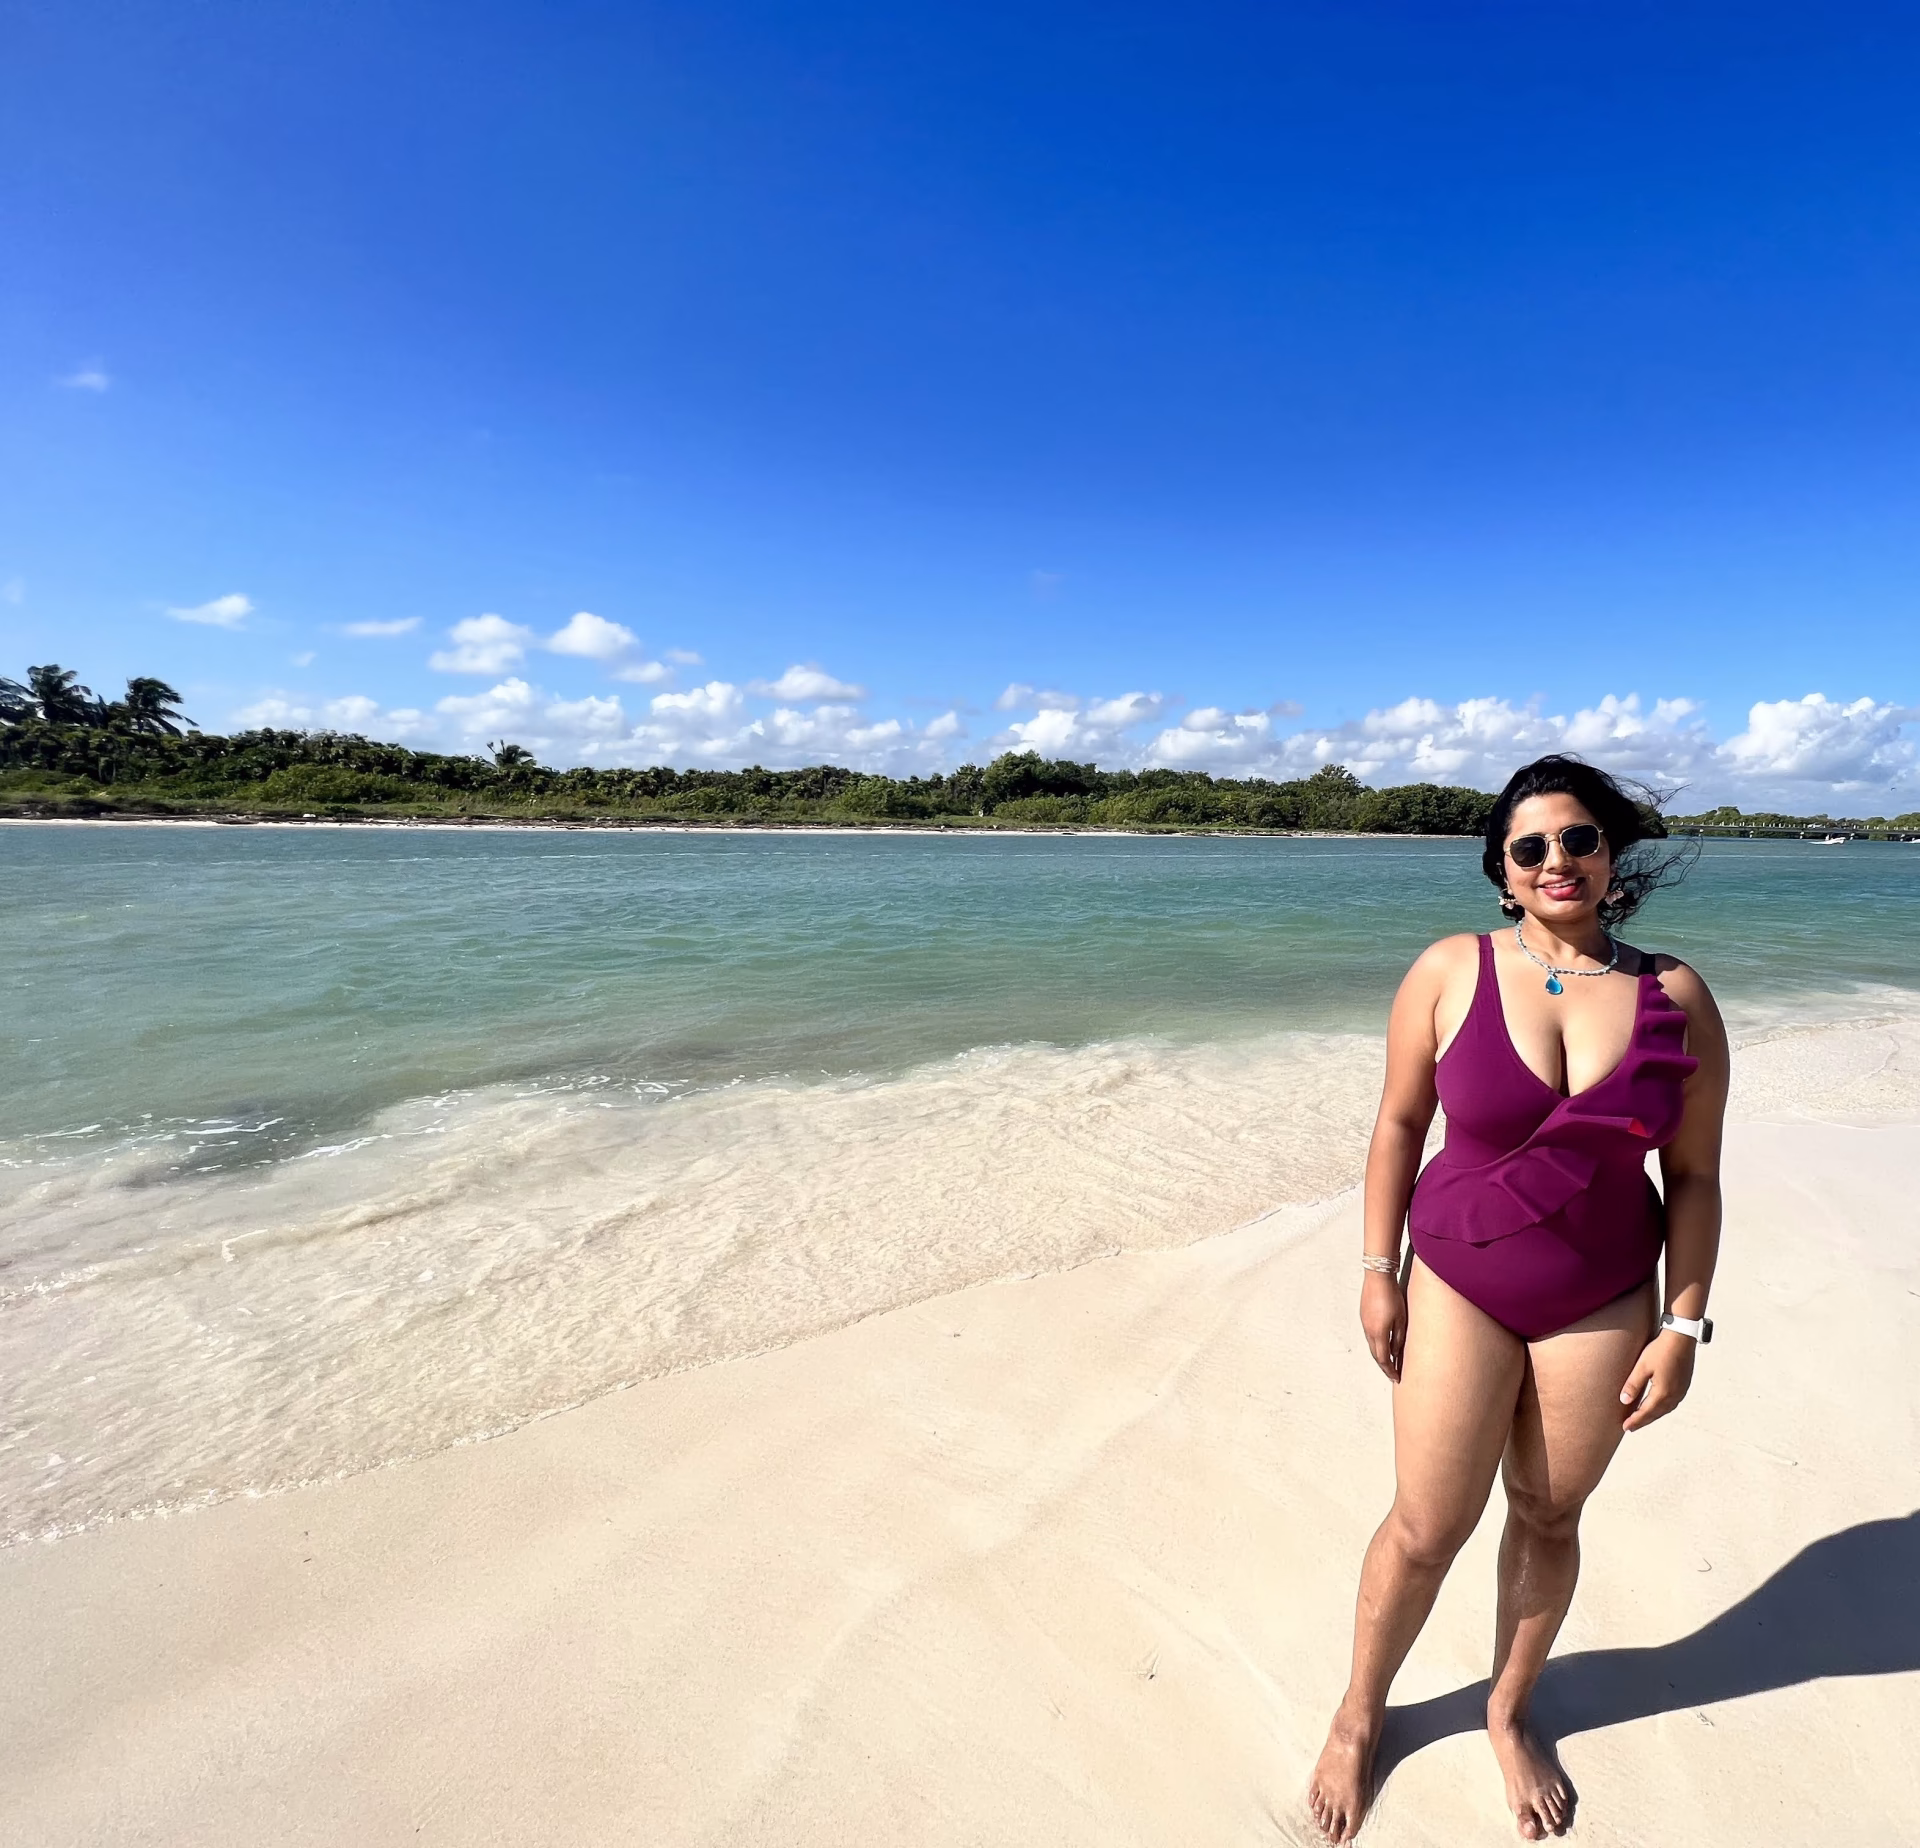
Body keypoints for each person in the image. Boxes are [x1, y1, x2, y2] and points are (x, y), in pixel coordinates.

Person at [1307, 755, 1729, 1843]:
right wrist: (1376, 1271)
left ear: (1611, 854)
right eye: (1530, 846)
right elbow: (1399, 1124)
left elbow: (1693, 1177)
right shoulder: (1450, 969)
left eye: (1579, 838)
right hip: (1459, 1275)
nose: (1557, 860)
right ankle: (1360, 1713)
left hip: (1603, 1293)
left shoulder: (1676, 996)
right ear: (1502, 870)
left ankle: (1507, 1713)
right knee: (1427, 1523)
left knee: (1548, 1513)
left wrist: (1682, 1323)